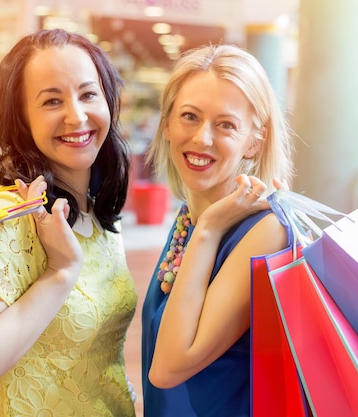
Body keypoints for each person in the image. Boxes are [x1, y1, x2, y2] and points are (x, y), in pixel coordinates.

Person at [0, 28, 137, 417]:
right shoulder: (17, 222)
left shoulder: (97, 213)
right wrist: (61, 272)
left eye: (87, 94)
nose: (76, 116)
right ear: (22, 120)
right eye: (51, 100)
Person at [140, 43, 295, 416]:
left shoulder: (264, 230)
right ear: (167, 124)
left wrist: (209, 230)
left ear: (254, 141)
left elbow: (167, 369)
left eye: (225, 124)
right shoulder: (189, 216)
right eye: (189, 116)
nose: (202, 138)